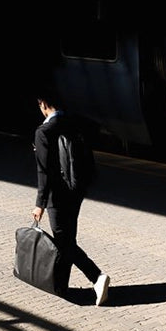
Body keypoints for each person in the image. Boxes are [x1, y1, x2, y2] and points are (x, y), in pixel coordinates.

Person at [32, 93, 109, 305]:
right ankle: (61, 286)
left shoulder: (44, 131)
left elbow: (44, 171)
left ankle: (97, 277)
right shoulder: (75, 122)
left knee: (63, 241)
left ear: (44, 104)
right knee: (68, 239)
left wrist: (39, 204)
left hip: (56, 196)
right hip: (76, 190)